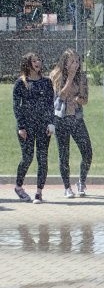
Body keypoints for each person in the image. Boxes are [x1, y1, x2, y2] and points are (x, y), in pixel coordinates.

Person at [12, 52, 55, 203]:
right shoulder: (20, 83)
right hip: (27, 127)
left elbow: (51, 104)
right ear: (27, 64)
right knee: (27, 157)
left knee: (42, 158)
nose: (38, 62)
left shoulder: (47, 82)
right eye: (34, 60)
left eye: (39, 60)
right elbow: (17, 107)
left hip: (43, 126)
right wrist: (21, 126)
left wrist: (51, 123)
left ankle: (38, 192)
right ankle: (18, 187)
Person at [50, 49, 93, 198]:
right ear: (65, 62)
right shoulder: (56, 75)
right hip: (61, 119)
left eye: (77, 61)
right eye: (72, 61)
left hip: (76, 118)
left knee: (87, 151)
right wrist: (70, 78)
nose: (76, 64)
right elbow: (60, 96)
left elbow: (85, 99)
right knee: (64, 154)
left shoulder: (82, 77)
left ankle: (81, 181)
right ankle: (67, 187)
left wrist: (79, 99)